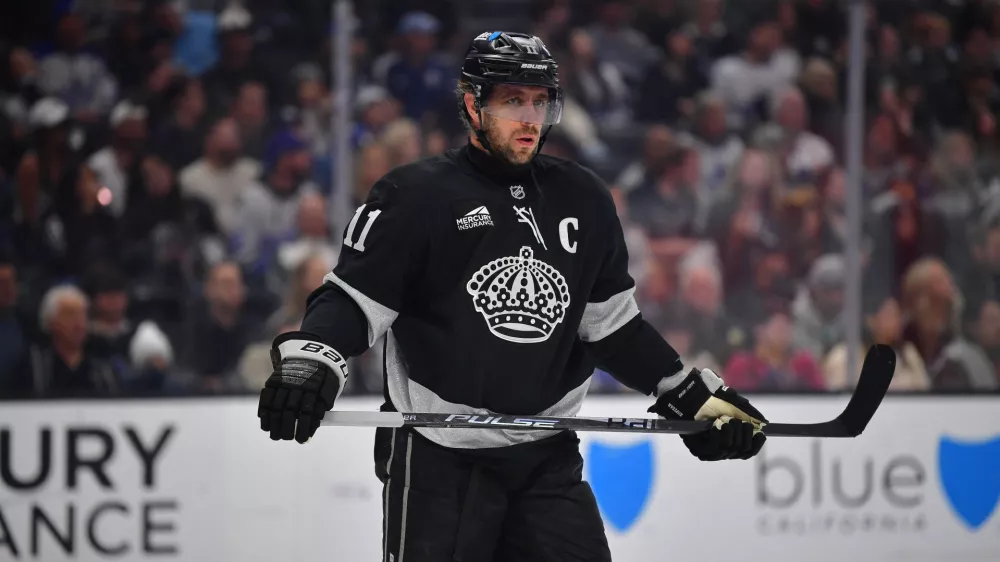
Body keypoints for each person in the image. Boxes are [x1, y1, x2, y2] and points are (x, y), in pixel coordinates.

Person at [256, 31, 768, 561]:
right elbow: (353, 301)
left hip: (545, 460)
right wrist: (312, 361)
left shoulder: (584, 198)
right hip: (439, 458)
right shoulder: (413, 196)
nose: (529, 117)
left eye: (540, 101)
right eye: (512, 100)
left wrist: (688, 394)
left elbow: (612, 328)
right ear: (473, 103)